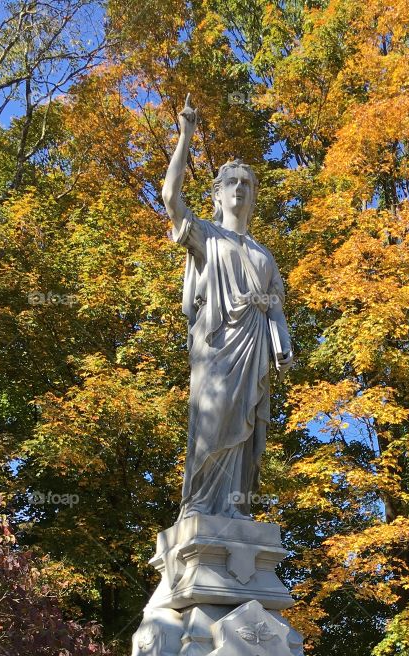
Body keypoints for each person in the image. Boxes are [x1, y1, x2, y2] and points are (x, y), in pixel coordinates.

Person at [162, 95, 293, 519]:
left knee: (247, 432)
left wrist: (282, 341)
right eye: (231, 183)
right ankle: (200, 508)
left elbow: (275, 306)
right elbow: (169, 196)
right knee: (212, 426)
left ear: (253, 196)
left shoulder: (264, 256)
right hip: (218, 353)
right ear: (218, 194)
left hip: (253, 355)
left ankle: (234, 510)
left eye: (246, 184)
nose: (239, 188)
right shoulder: (207, 236)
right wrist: (185, 135)